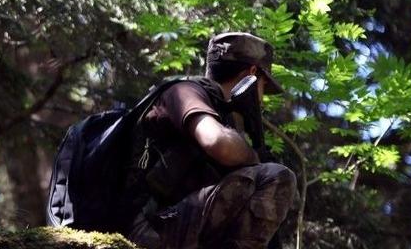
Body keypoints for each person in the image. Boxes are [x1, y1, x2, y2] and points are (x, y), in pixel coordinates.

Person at [124, 32, 296, 248]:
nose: (261, 99)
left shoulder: (223, 114)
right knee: (276, 176)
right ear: (252, 73)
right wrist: (253, 157)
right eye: (262, 86)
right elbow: (217, 142)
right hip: (147, 227)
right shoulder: (185, 92)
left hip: (173, 222)